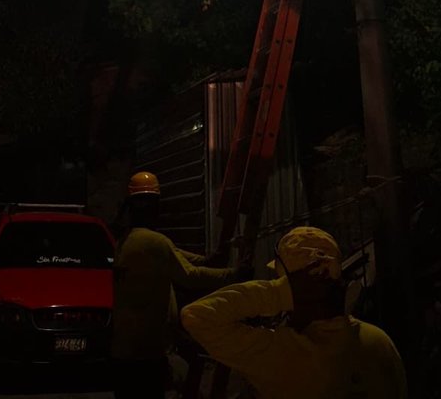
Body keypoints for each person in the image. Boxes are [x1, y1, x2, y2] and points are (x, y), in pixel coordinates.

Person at [181, 225, 407, 399]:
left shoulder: (280, 357)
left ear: (294, 289)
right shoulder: (379, 342)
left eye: (281, 281)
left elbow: (197, 316)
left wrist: (281, 293)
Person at [111, 170, 242, 399]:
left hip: (125, 351)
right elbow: (189, 275)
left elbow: (181, 257)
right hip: (145, 353)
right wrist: (235, 275)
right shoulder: (154, 242)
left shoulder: (129, 240)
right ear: (154, 205)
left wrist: (212, 259)